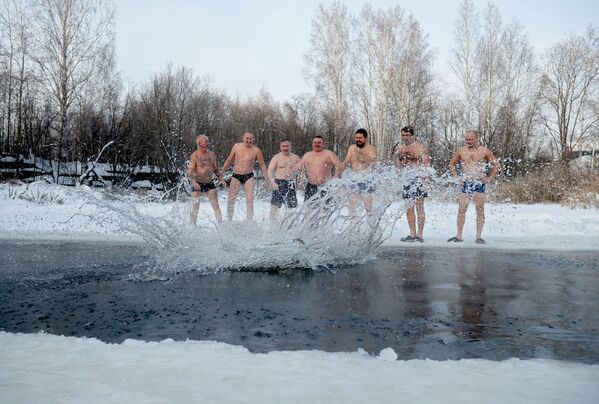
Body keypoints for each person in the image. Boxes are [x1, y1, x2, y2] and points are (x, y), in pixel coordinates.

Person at [447, 129, 500, 244]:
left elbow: (496, 165)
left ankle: (478, 237)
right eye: (467, 139)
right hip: (465, 182)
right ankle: (459, 236)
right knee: (462, 209)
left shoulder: (484, 151)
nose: (468, 141)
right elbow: (451, 164)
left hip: (478, 183)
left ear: (477, 138)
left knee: (479, 209)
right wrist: (457, 177)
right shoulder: (461, 151)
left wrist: (489, 178)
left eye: (471, 139)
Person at [219, 132, 270, 221]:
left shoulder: (256, 150)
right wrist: (222, 173)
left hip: (248, 176)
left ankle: (249, 222)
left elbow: (262, 165)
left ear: (253, 139)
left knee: (250, 201)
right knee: (231, 200)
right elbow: (229, 160)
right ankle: (229, 220)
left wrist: (266, 179)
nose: (249, 140)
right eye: (247, 138)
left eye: (250, 139)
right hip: (236, 175)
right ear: (243, 138)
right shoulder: (236, 146)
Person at [396, 125, 431, 243]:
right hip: (406, 179)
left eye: (407, 135)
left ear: (412, 135)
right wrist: (398, 176)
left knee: (419, 206)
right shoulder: (400, 148)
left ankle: (420, 235)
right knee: (409, 207)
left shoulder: (419, 147)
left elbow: (426, 163)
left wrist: (425, 181)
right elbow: (399, 164)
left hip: (418, 178)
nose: (405, 137)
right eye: (403, 135)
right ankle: (412, 234)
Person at [338, 128, 377, 212]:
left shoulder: (371, 148)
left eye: (360, 138)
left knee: (368, 207)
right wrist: (342, 166)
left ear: (365, 138)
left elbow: (372, 162)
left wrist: (362, 153)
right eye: (356, 138)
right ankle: (352, 223)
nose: (358, 140)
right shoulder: (351, 148)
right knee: (351, 206)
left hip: (367, 179)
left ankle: (370, 223)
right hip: (354, 178)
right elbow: (347, 160)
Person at [187, 134, 222, 224]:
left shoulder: (211, 154)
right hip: (197, 183)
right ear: (199, 143)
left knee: (216, 205)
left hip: (209, 183)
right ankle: (192, 226)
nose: (207, 143)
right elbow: (190, 172)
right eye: (205, 141)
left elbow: (215, 168)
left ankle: (221, 225)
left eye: (207, 141)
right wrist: (193, 181)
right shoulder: (194, 155)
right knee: (195, 206)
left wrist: (220, 178)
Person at [295, 135, 340, 203]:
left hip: (326, 186)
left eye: (319, 142)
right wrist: (301, 181)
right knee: (308, 209)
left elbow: (338, 165)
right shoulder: (307, 155)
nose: (317, 144)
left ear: (323, 144)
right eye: (315, 142)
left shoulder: (329, 154)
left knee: (326, 209)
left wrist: (335, 177)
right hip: (311, 186)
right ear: (312, 144)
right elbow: (300, 166)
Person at [267, 139, 300, 221]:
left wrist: (301, 181)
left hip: (290, 183)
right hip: (279, 183)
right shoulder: (277, 157)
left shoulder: (295, 158)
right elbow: (269, 171)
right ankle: (272, 226)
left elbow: (302, 171)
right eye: (283, 146)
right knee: (275, 206)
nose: (285, 148)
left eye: (287, 146)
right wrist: (273, 182)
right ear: (280, 147)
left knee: (292, 208)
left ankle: (289, 226)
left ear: (290, 146)